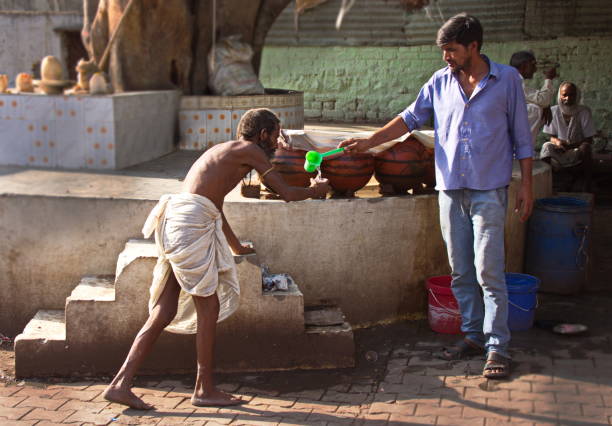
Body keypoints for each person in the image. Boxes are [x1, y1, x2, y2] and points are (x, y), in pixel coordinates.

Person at [339, 13, 533, 379]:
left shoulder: (506, 80)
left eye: (452, 50)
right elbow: (409, 119)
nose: (446, 57)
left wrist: (526, 184)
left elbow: (522, 137)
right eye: (443, 50)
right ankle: (473, 336)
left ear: (473, 46)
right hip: (450, 191)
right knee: (461, 272)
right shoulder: (439, 82)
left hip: (489, 190)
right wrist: (368, 142)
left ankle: (498, 347)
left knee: (489, 271)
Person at [103, 108, 330, 409]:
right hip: (188, 225)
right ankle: (203, 389)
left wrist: (236, 246)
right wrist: (317, 190)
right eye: (276, 135)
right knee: (208, 305)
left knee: (164, 310)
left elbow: (215, 207)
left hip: (179, 221)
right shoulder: (250, 150)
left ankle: (120, 383)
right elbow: (287, 193)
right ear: (262, 134)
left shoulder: (228, 150)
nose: (277, 143)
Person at [540, 81, 596, 190]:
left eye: (571, 95)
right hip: (559, 150)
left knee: (586, 147)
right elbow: (551, 136)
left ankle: (587, 184)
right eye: (564, 95)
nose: (568, 98)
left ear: (577, 96)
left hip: (577, 150)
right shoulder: (553, 111)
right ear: (559, 95)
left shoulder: (584, 111)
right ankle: (547, 184)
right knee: (546, 147)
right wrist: (558, 142)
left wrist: (570, 146)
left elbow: (589, 139)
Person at [509, 50, 557, 150]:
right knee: (535, 109)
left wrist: (545, 106)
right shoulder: (514, 82)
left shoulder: (515, 81)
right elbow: (542, 99)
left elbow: (540, 100)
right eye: (533, 65)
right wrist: (548, 79)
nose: (535, 70)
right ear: (523, 65)